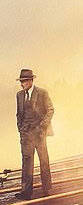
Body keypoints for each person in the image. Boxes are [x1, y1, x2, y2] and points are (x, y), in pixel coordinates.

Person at [16, 67, 54, 198]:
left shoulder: (42, 93)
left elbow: (50, 110)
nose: (21, 84)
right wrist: (20, 129)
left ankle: (46, 189)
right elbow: (19, 114)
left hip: (39, 133)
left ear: (31, 80)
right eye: (21, 81)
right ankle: (26, 192)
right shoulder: (19, 95)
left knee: (43, 160)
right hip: (26, 135)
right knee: (27, 162)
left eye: (24, 81)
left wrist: (42, 127)